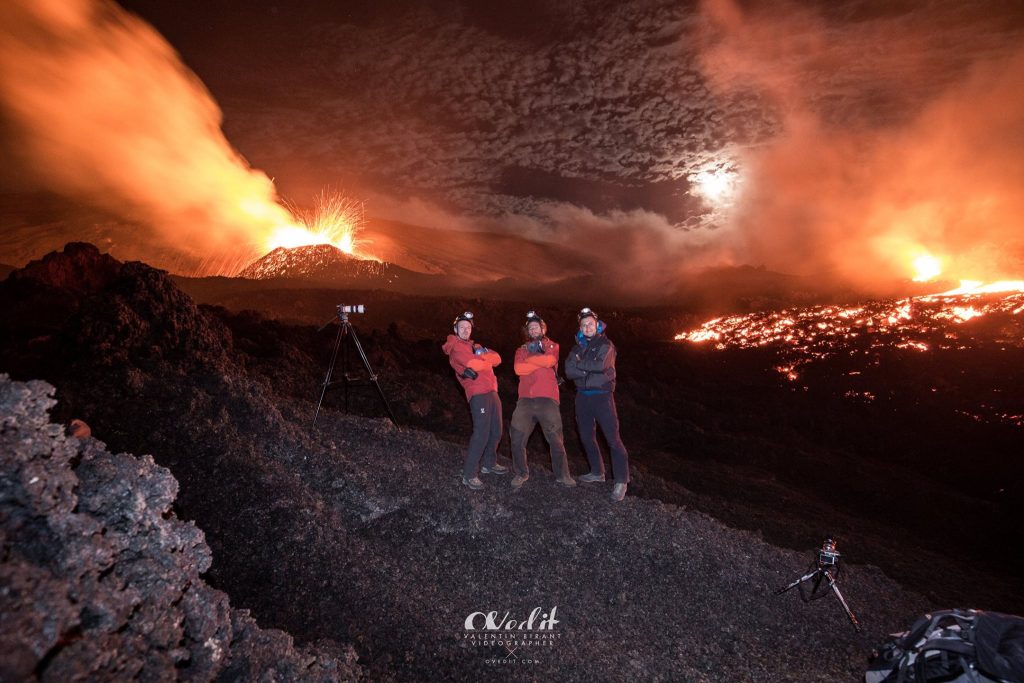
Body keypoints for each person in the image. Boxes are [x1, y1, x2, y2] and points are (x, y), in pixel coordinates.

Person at [564, 307, 630, 501]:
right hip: (582, 397)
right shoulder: (576, 348)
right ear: (580, 328)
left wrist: (580, 365)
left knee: (612, 439)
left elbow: (601, 365)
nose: (587, 327)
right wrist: (585, 368)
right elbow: (568, 371)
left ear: (597, 325)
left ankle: (621, 480)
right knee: (586, 436)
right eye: (584, 325)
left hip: (602, 397)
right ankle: (597, 472)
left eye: (590, 324)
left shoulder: (606, 344)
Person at [509, 311, 576, 489]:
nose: (533, 330)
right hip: (525, 400)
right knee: (516, 438)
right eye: (530, 328)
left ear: (543, 329)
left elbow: (550, 360)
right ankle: (521, 473)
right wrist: (538, 360)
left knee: (555, 440)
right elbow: (518, 369)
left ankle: (563, 475)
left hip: (548, 399)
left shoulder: (552, 345)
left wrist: (530, 360)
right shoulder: (521, 349)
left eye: (536, 327)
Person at [442, 311, 507, 489]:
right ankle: (469, 474)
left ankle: (489, 463)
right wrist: (485, 358)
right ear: (455, 329)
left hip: (492, 390)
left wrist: (482, 356)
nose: (465, 330)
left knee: (497, 431)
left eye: (468, 327)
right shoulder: (455, 347)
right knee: (481, 433)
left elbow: (498, 358)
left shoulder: (476, 346)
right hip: (478, 393)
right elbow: (475, 364)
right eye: (461, 327)